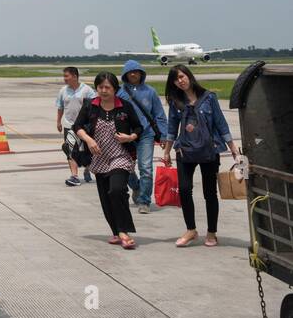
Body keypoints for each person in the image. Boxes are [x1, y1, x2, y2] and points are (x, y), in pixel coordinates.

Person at [162, 64, 238, 247]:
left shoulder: (209, 97)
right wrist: (166, 151)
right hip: (184, 151)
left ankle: (211, 232)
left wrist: (232, 146)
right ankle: (191, 230)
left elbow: (221, 123)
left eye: (181, 76)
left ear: (189, 75)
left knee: (209, 193)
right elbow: (172, 128)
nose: (180, 81)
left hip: (208, 151)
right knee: (185, 189)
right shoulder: (175, 102)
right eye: (175, 79)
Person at [73, 72, 141, 249]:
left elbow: (138, 127)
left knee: (117, 190)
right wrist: (89, 140)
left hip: (121, 156)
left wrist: (130, 137)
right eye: (100, 87)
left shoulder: (124, 106)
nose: (104, 91)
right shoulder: (90, 106)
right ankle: (117, 232)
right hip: (99, 158)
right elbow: (77, 126)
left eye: (108, 87)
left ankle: (124, 232)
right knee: (105, 197)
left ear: (115, 89)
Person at [119, 60, 168, 215]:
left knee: (146, 168)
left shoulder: (150, 92)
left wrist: (164, 134)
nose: (133, 74)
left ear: (141, 73)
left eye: (136, 71)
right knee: (124, 168)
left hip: (146, 134)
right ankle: (137, 187)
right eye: (130, 72)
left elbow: (159, 115)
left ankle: (144, 201)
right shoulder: (120, 92)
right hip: (125, 135)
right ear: (125, 75)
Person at [56, 66, 96, 186]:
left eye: (66, 76)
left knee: (87, 151)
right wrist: (58, 122)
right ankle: (74, 176)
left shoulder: (87, 90)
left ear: (74, 76)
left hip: (84, 127)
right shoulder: (63, 90)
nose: (64, 79)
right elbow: (60, 107)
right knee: (70, 150)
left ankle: (87, 169)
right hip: (69, 125)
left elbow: (94, 108)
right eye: (64, 76)